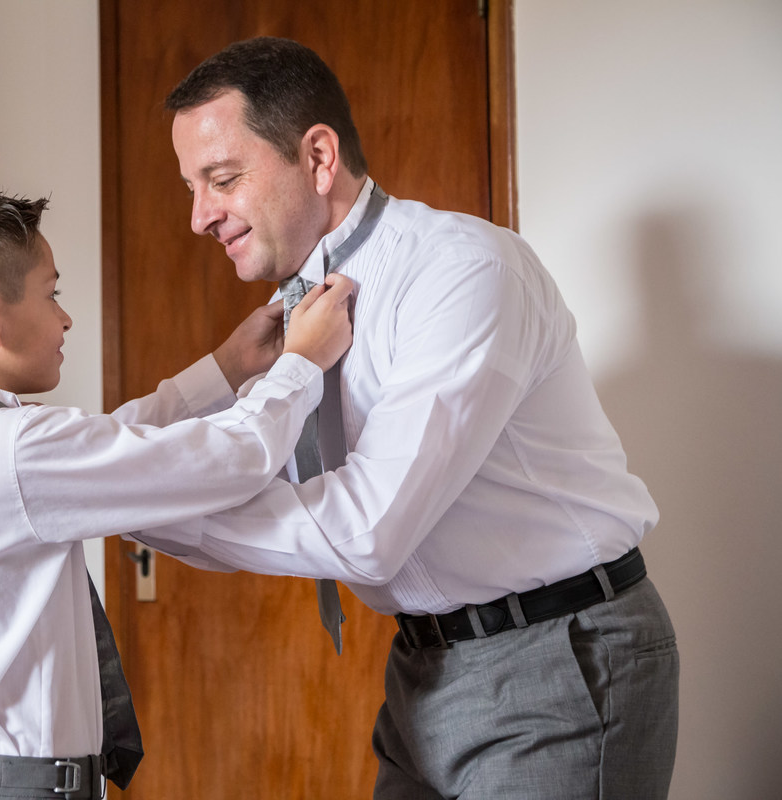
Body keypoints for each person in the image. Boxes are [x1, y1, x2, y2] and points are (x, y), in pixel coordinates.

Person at [131, 37, 680, 798]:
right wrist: (210, 391)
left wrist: (158, 511)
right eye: (192, 186)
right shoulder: (288, 325)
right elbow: (163, 444)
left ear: (318, 158)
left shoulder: (463, 272)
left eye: (221, 180)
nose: (198, 217)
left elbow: (369, 532)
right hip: (422, 667)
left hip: (554, 659)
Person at [0, 186, 353, 800]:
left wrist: (225, 368)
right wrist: (302, 363)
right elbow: (232, 460)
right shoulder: (14, 450)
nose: (65, 317)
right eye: (52, 293)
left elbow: (109, 446)